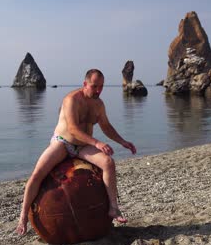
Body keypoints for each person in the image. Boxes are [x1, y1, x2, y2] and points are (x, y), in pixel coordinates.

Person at [16, 69, 137, 235]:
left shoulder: (99, 104)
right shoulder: (71, 100)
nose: (98, 90)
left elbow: (106, 127)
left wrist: (123, 142)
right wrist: (97, 143)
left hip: (82, 147)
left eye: (101, 86)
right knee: (37, 175)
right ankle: (23, 217)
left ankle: (113, 208)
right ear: (85, 84)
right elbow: (72, 129)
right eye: (94, 86)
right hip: (62, 143)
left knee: (108, 163)